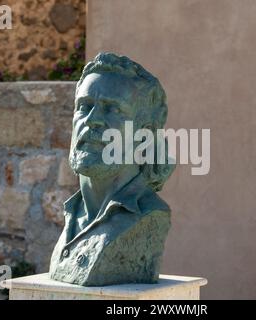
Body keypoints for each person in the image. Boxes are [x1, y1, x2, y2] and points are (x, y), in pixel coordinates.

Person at [49, 52, 175, 286]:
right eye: (84, 106)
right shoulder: (73, 213)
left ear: (143, 133)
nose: (92, 120)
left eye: (113, 110)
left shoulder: (148, 216)